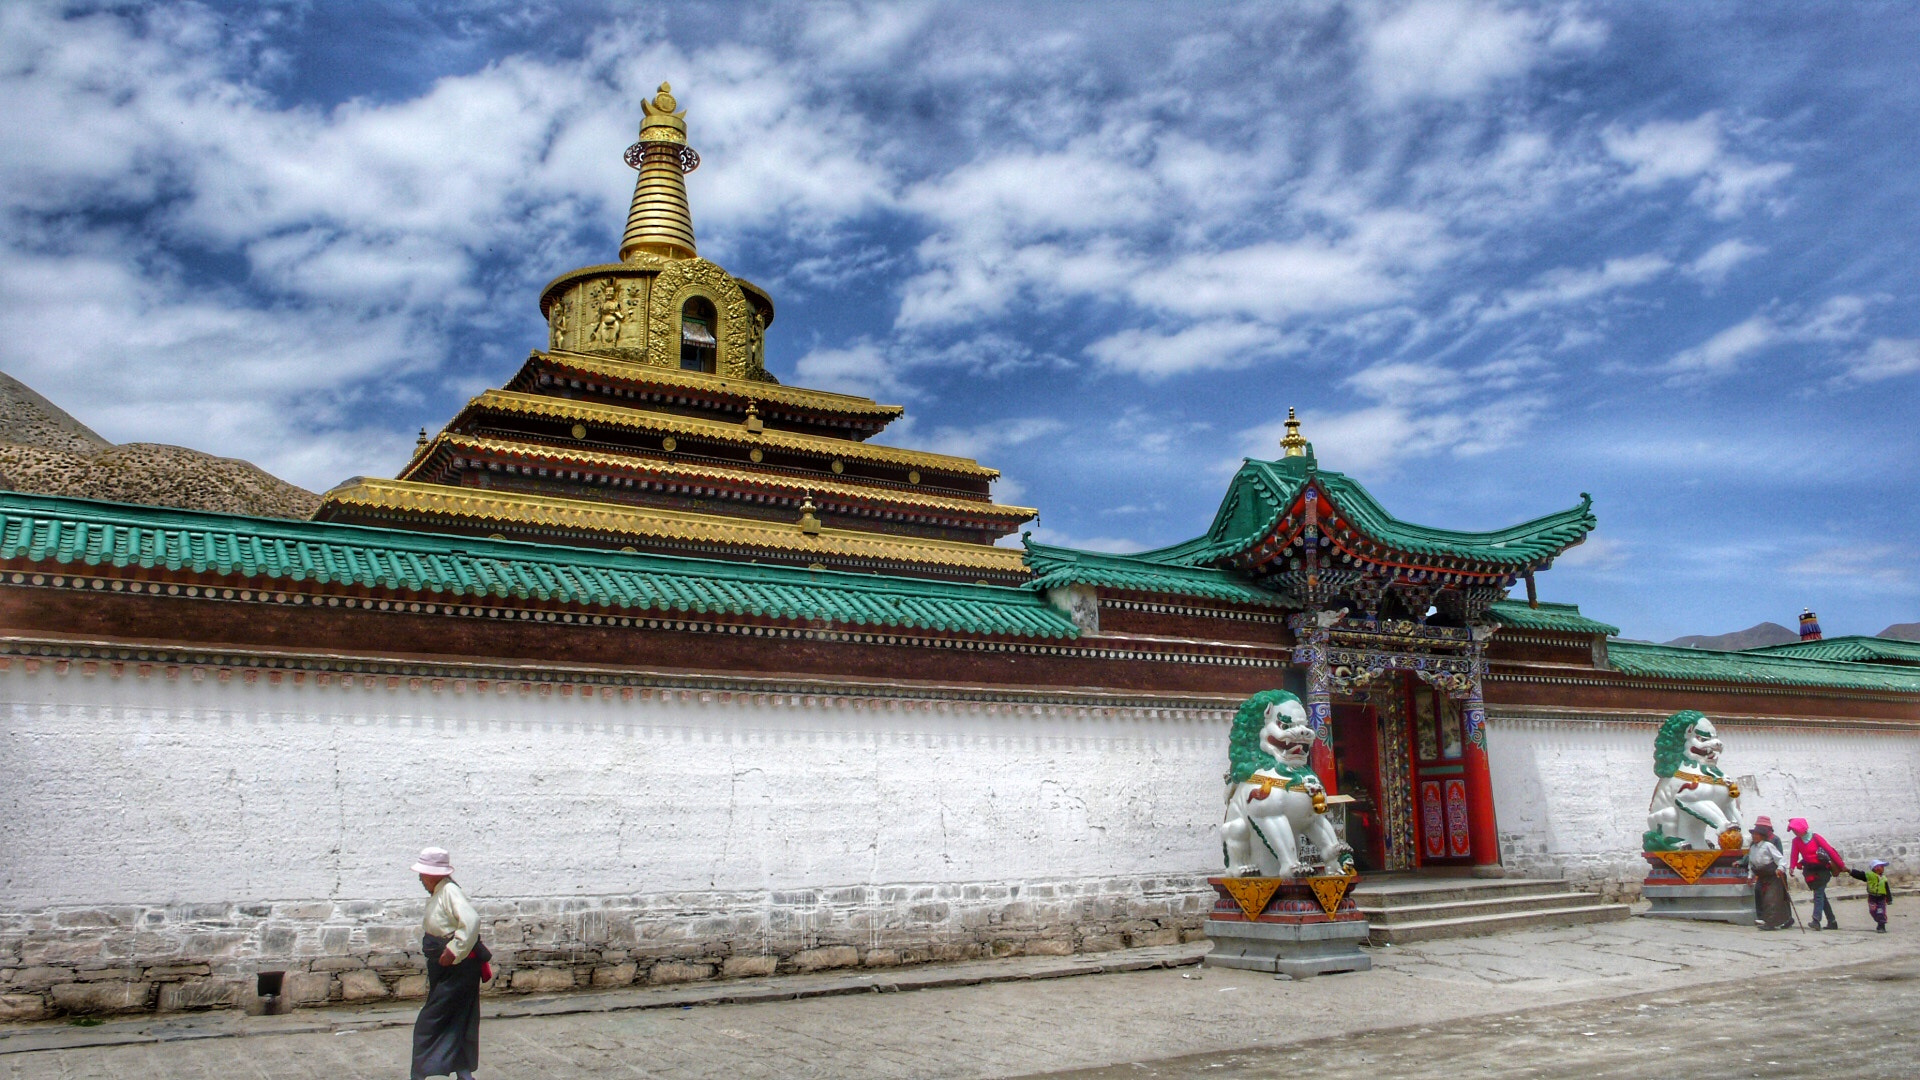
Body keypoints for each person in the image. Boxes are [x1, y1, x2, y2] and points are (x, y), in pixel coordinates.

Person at [411, 847, 486, 1080]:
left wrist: (454, 950)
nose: (421, 879)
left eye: (423, 874)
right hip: (447, 969)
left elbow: (471, 920)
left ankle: (420, 1075)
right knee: (457, 1018)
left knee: (429, 1023)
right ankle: (464, 1074)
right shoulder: (439, 893)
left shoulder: (450, 891)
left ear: (434, 874)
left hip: (458, 969)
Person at [1788, 817, 1846, 930]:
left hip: (1822, 870)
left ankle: (1816, 920)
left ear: (1802, 828)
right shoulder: (1796, 841)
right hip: (1810, 871)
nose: (1794, 832)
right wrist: (1792, 867)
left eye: (1795, 830)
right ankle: (1832, 921)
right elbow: (1794, 854)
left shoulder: (1816, 838)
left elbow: (1829, 851)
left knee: (1818, 894)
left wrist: (1841, 865)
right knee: (1821, 896)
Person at [1745, 817, 1792, 930]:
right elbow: (1751, 864)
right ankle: (1764, 919)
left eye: (1756, 834)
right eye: (1753, 834)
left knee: (1771, 899)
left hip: (1773, 876)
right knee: (1760, 894)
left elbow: (1780, 859)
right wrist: (1750, 876)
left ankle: (1771, 923)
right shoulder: (1752, 848)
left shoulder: (1768, 846)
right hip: (1761, 875)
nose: (1754, 836)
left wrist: (1780, 868)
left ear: (1761, 836)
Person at [1847, 859, 1893, 933]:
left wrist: (1889, 899)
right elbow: (1860, 875)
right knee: (1873, 911)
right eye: (1881, 866)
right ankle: (1879, 921)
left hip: (1881, 898)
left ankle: (1882, 925)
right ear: (1876, 868)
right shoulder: (1869, 875)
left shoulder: (1884, 878)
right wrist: (1850, 871)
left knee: (1881, 911)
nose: (1883, 868)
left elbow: (1887, 889)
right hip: (1872, 898)